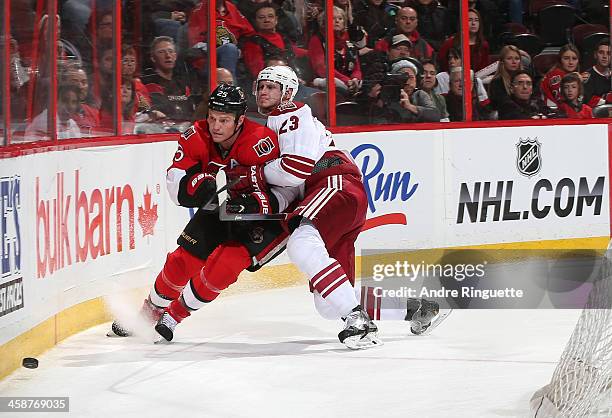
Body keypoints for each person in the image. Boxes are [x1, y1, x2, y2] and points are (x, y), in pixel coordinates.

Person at [230, 66, 443, 348]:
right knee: (328, 304)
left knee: (301, 243)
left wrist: (253, 175)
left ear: (288, 92)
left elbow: (295, 169)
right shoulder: (276, 126)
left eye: (272, 86)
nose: (263, 91)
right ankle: (415, 308)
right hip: (336, 197)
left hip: (334, 183)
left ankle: (358, 320)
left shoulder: (291, 114)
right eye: (261, 86)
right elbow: (290, 186)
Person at [111, 84, 287, 339]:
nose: (216, 126)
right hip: (221, 205)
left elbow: (286, 188)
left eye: (224, 120)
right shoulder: (195, 136)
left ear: (240, 120)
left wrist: (257, 201)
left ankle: (174, 316)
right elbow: (175, 182)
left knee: (223, 267)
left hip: (260, 214)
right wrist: (197, 186)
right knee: (182, 260)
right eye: (212, 118)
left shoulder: (261, 140)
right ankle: (149, 312)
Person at [540, 44, 583, 109]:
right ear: (560, 60)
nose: (571, 62)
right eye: (566, 58)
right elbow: (563, 102)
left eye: (574, 58)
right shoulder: (555, 75)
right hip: (553, 113)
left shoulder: (574, 75)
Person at [583, 39, 611, 108]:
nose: (604, 56)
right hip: (595, 116)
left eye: (608, 53)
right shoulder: (586, 76)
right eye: (601, 52)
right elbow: (588, 100)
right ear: (595, 55)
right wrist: (607, 99)